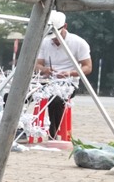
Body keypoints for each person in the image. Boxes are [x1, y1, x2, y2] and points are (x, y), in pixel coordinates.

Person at [35, 11, 92, 139]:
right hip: (46, 81)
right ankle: (18, 129)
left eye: (56, 35)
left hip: (68, 83)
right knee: (12, 95)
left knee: (55, 98)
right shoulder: (44, 42)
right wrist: (45, 70)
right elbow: (37, 65)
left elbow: (88, 67)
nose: (54, 39)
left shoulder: (78, 43)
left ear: (65, 26)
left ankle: (53, 132)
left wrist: (70, 73)